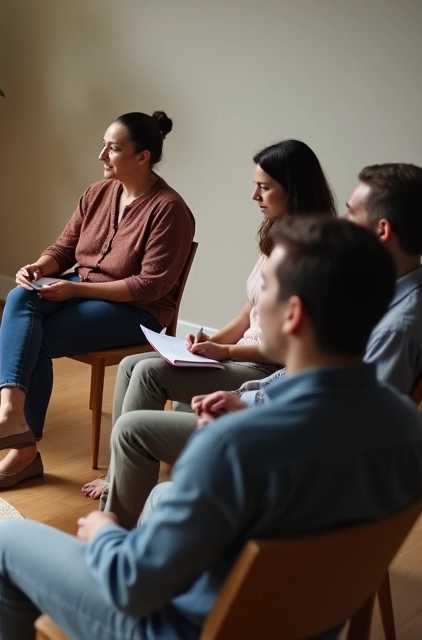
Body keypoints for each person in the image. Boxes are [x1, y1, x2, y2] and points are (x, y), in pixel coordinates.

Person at [0, 216, 422, 640]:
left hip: (177, 627)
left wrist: (104, 534)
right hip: (297, 627)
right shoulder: (408, 428)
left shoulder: (231, 446)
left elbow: (132, 587)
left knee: (5, 541)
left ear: (294, 314)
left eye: (266, 286)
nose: (256, 299)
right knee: (160, 495)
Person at [96, 162, 422, 528]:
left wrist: (248, 410)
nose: (343, 221)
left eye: (351, 211)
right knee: (150, 400)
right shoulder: (380, 293)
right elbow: (324, 386)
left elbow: (350, 429)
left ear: (382, 230)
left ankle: (112, 538)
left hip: (282, 454)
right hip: (273, 416)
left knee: (136, 435)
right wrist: (248, 395)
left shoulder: (395, 324)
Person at [81, 139, 336, 501]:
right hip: (242, 352)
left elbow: (289, 349)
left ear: (294, 190)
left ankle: (122, 494)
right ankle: (117, 472)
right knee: (129, 365)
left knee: (150, 373)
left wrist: (226, 351)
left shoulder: (312, 252)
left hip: (264, 366)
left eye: (264, 187)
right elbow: (251, 310)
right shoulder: (279, 235)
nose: (254, 196)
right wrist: (210, 343)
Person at [0, 111, 195, 489]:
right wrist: (38, 268)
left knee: (34, 338)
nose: (102, 155)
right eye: (103, 145)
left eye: (113, 149)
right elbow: (64, 248)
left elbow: (149, 286)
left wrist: (75, 289)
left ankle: (22, 453)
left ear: (143, 156)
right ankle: (10, 416)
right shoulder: (97, 193)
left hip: (137, 311)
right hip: (80, 289)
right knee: (21, 297)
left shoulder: (169, 210)